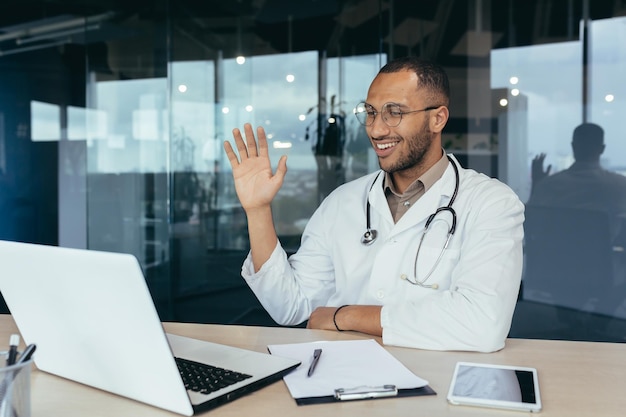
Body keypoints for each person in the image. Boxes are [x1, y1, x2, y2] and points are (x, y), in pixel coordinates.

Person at [223, 56, 524, 352]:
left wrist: (346, 315)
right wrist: (258, 210)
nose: (376, 129)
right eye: (370, 112)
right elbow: (291, 305)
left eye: (394, 112)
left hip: (437, 386)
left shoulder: (490, 203)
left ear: (437, 118)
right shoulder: (343, 202)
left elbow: (483, 323)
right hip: (343, 381)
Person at [528, 123, 626, 242]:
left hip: (555, 257)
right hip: (600, 259)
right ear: (602, 149)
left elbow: (530, 223)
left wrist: (537, 184)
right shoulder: (619, 185)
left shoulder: (549, 185)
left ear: (573, 146)